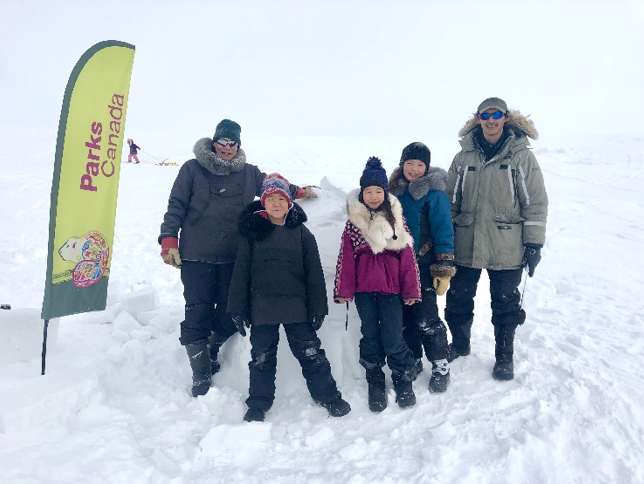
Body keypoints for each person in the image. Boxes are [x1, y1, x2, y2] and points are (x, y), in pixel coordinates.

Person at [158, 119, 316, 397]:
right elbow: (176, 205)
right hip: (196, 255)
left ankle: (211, 347)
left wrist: (300, 191)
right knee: (198, 309)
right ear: (214, 141)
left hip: (234, 256)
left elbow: (273, 187)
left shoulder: (248, 172)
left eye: (233, 143)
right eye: (223, 142)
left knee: (231, 313)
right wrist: (169, 238)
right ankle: (201, 372)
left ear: (238, 145)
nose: (227, 148)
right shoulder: (192, 169)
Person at [227, 173, 351, 422]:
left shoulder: (302, 234)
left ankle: (328, 396)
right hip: (261, 308)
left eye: (281, 199)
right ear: (263, 202)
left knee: (311, 353)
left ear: (289, 203)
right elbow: (240, 273)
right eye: (270, 198)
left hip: (297, 308)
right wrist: (237, 309)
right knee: (261, 358)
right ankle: (258, 403)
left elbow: (314, 274)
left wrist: (318, 308)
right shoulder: (252, 234)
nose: (276, 204)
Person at [445, 97, 548, 380]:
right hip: (465, 243)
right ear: (478, 119)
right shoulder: (463, 157)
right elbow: (449, 203)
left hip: (507, 246)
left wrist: (534, 243)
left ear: (506, 118)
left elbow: (535, 203)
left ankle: (504, 356)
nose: (491, 120)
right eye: (485, 115)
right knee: (457, 299)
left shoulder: (521, 156)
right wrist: (444, 242)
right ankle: (460, 344)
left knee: (505, 304)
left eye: (497, 114)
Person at [334, 157, 421, 412]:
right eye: (368, 191)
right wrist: (343, 290)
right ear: (362, 193)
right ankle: (375, 380)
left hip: (392, 291)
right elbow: (345, 259)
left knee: (394, 337)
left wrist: (411, 291)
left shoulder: (396, 221)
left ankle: (403, 378)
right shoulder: (353, 224)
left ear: (385, 193)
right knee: (370, 336)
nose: (373, 196)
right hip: (363, 292)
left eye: (378, 191)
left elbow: (407, 258)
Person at [389, 142, 456, 393]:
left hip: (423, 264)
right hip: (396, 265)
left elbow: (443, 230)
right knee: (405, 317)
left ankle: (440, 364)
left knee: (425, 318)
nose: (414, 169)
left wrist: (444, 267)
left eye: (420, 164)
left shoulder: (434, 194)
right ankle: (414, 359)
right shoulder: (392, 191)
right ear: (402, 164)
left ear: (426, 167)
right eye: (410, 163)